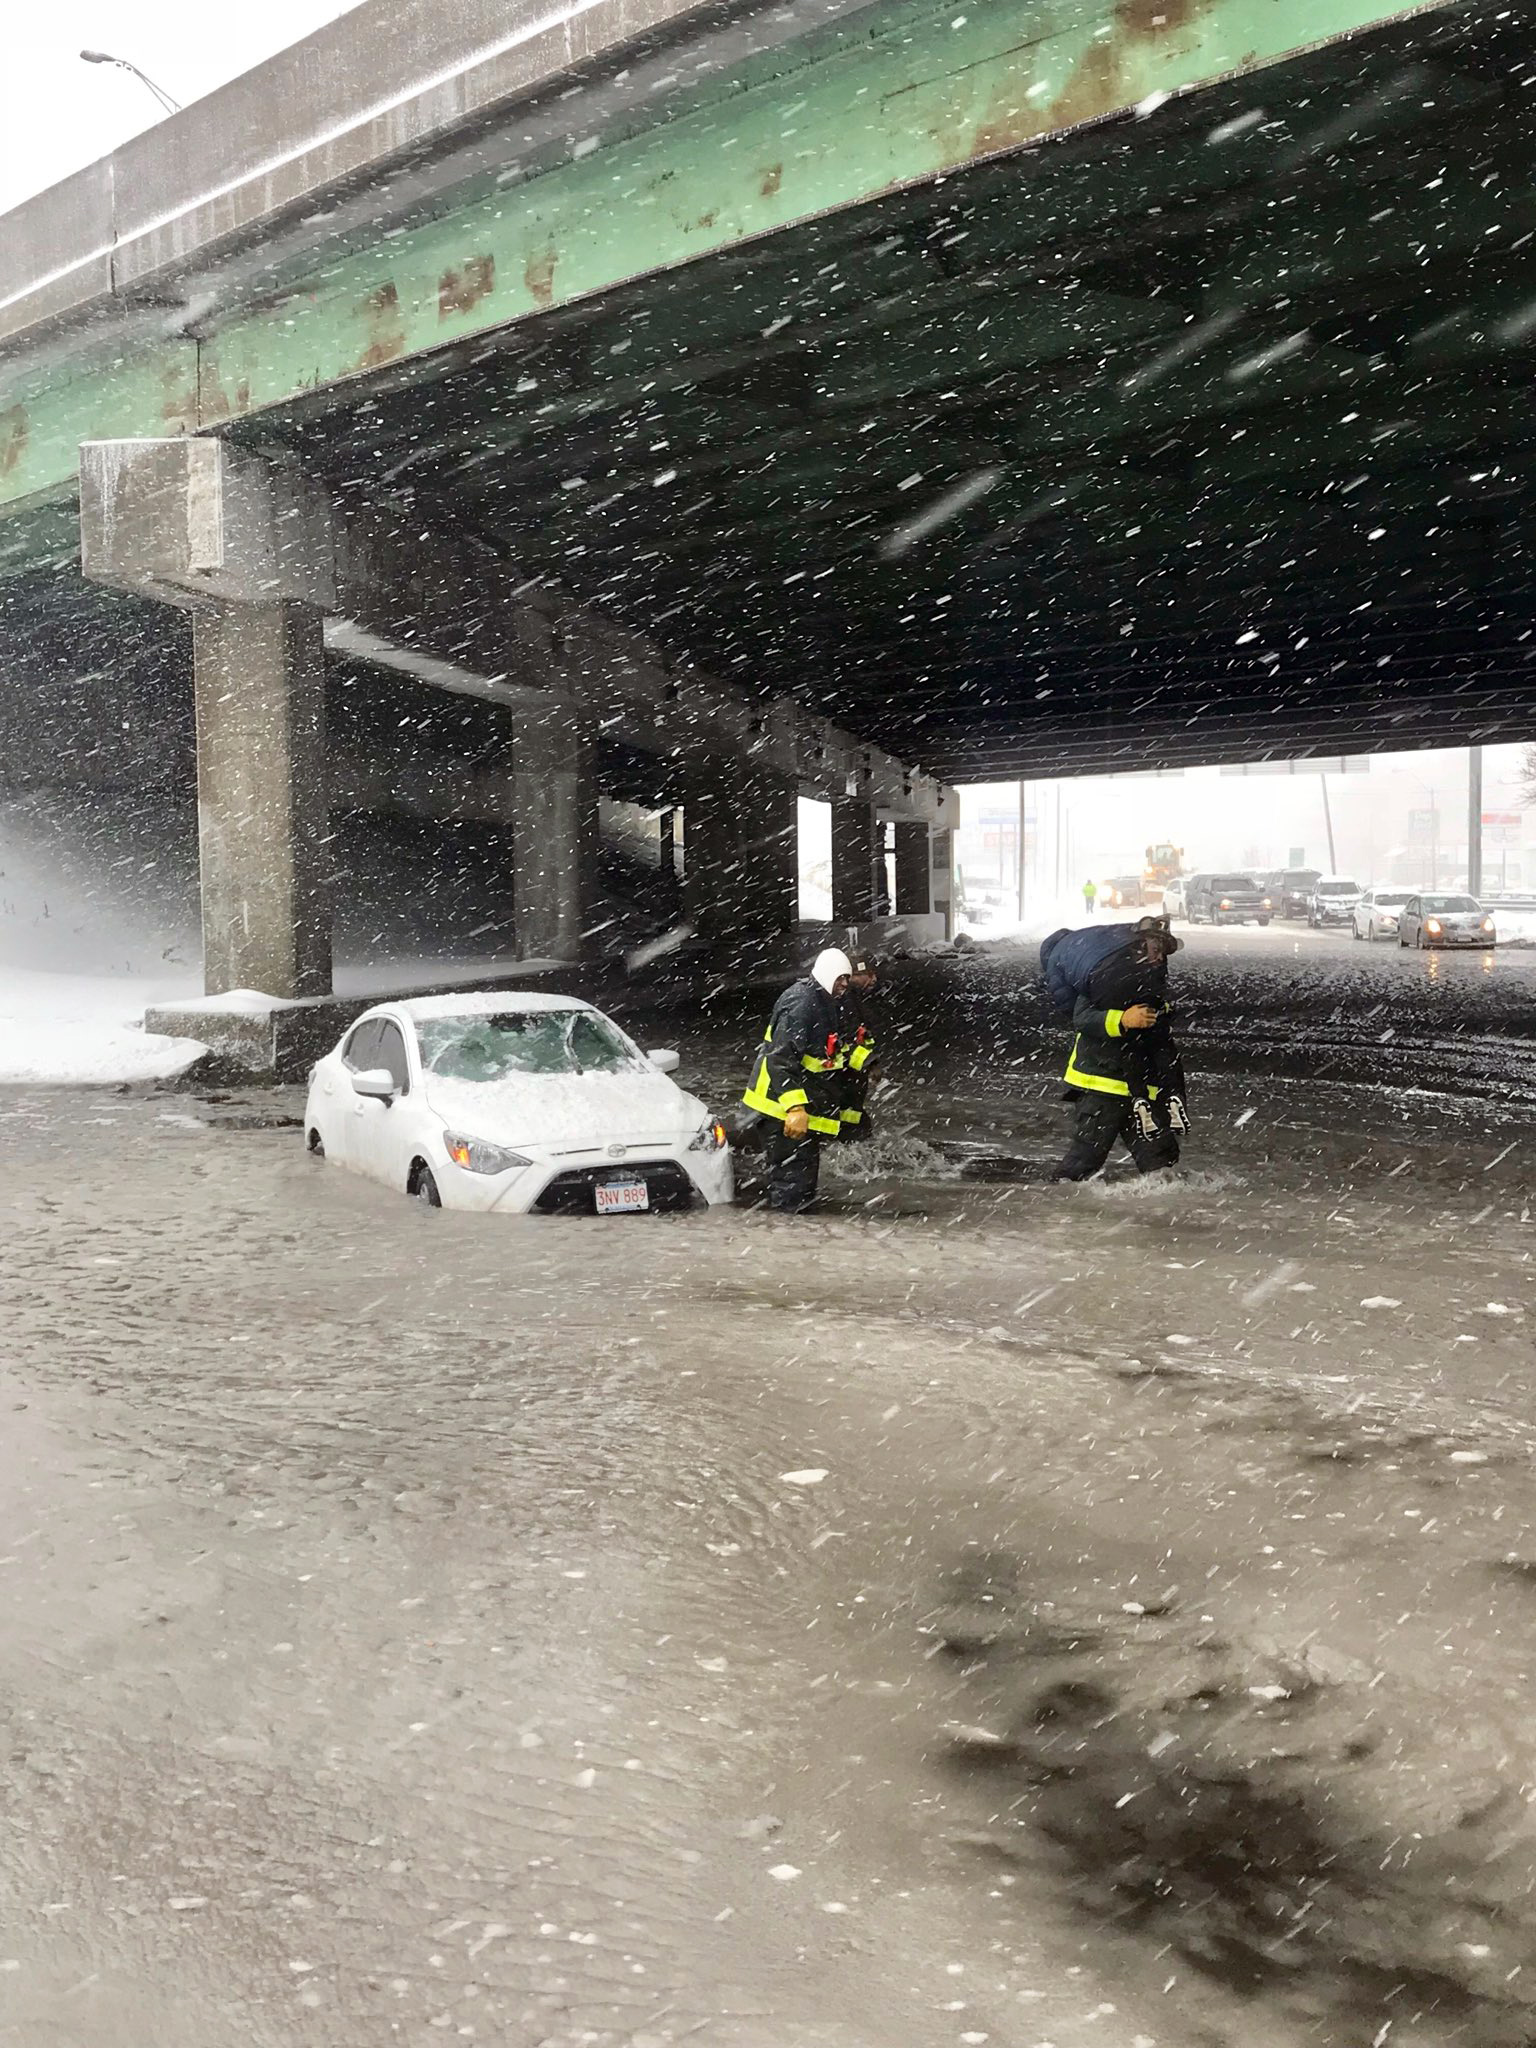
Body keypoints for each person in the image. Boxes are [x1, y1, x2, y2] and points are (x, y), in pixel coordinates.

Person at [1050, 917, 1188, 1182]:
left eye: (1163, 951)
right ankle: (1055, 1202)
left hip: (1142, 1090)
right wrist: (1123, 1020)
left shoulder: (1154, 980)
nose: (1159, 956)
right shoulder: (1102, 976)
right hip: (1102, 1085)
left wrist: (1162, 1014)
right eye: (1154, 947)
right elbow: (1084, 1019)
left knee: (1161, 1162)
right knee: (1084, 1160)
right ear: (1138, 945)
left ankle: (1165, 1209)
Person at [742, 948, 853, 1212]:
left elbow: (823, 1060)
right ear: (827, 975)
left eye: (847, 978)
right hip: (780, 1111)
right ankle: (787, 1238)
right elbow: (781, 1059)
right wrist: (795, 1107)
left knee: (801, 1182)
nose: (845, 985)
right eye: (840, 978)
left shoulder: (822, 1002)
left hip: (796, 1113)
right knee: (791, 1185)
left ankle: (796, 1238)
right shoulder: (802, 1003)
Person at [836, 952, 881, 1142]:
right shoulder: (846, 1001)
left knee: (854, 1118)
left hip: (852, 1076)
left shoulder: (854, 998)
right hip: (847, 1075)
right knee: (852, 1120)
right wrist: (870, 1063)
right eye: (869, 974)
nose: (874, 979)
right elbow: (847, 1040)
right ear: (855, 975)